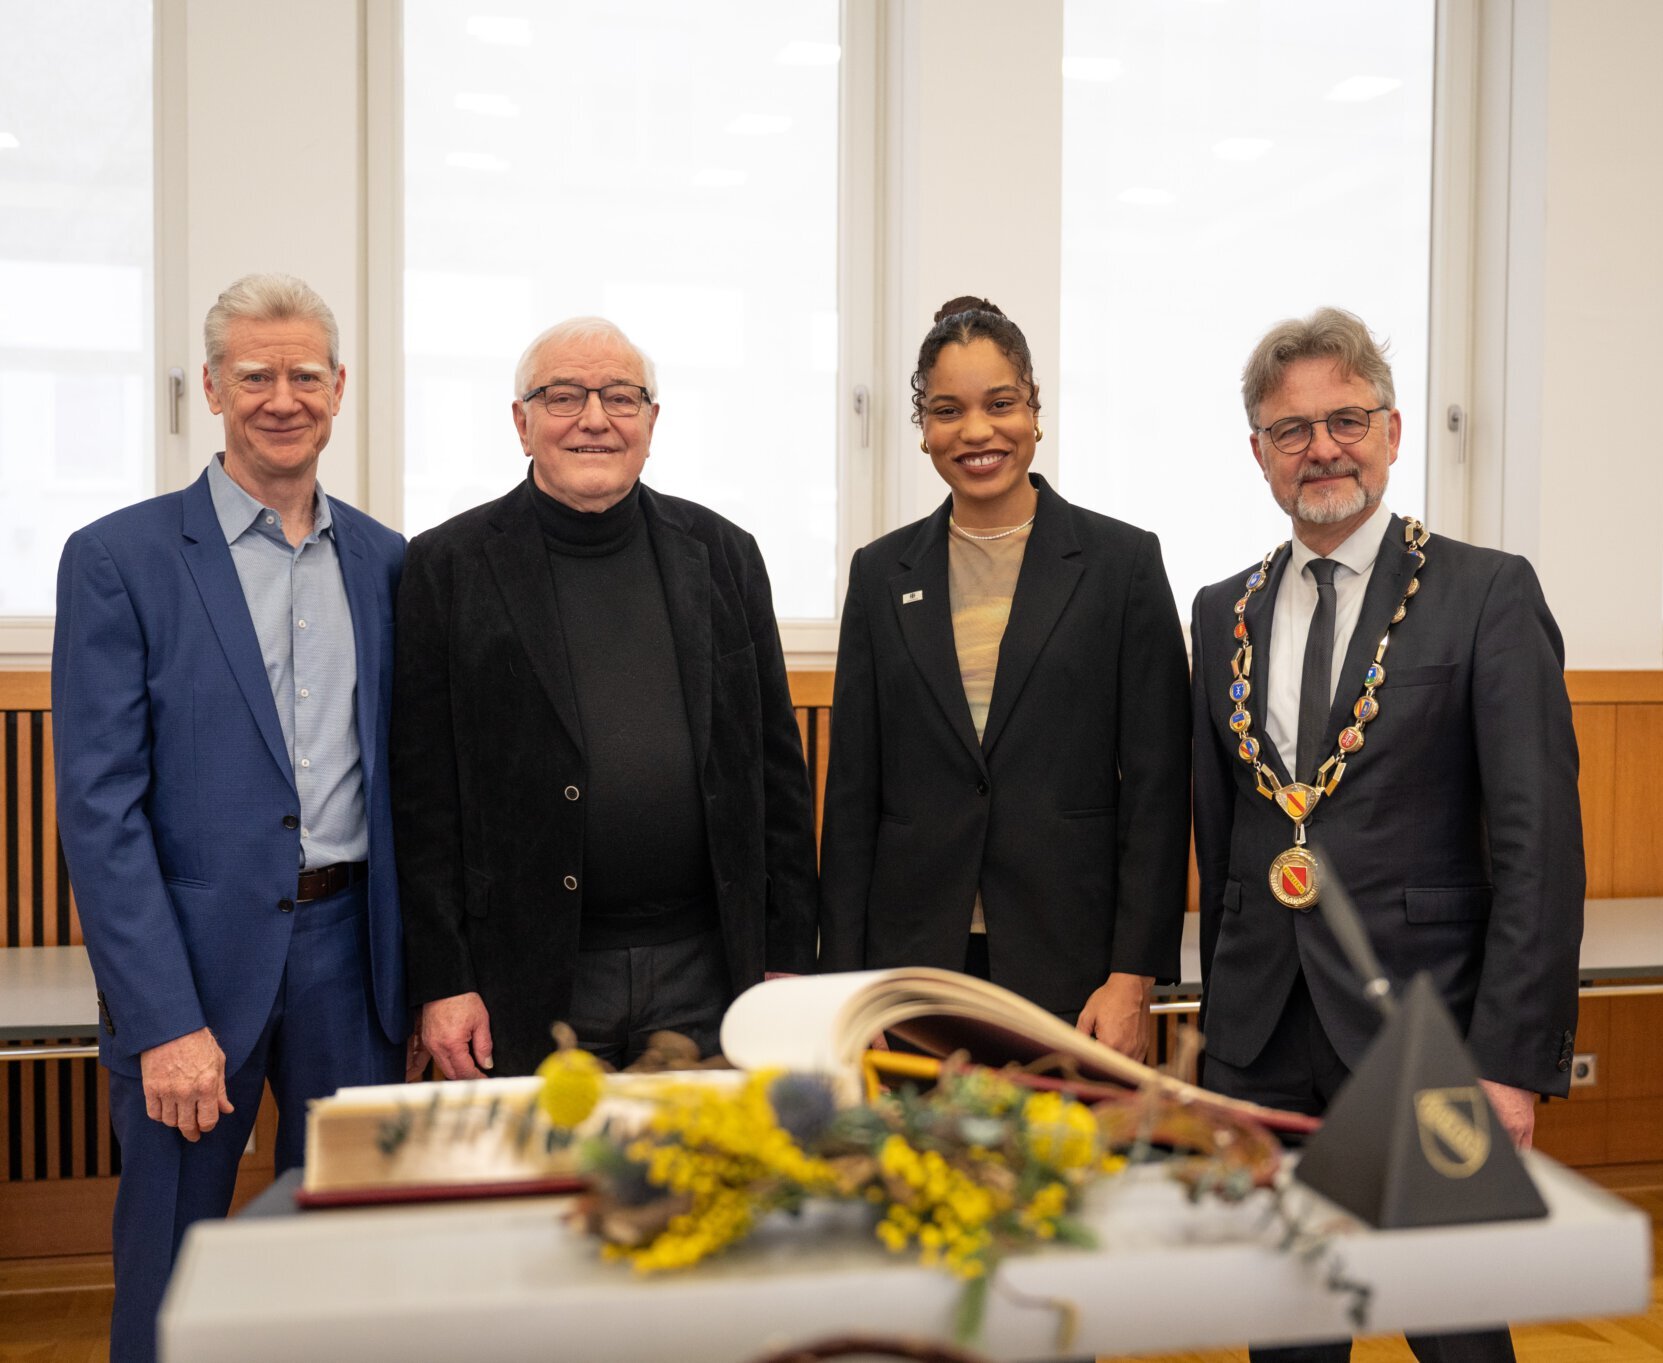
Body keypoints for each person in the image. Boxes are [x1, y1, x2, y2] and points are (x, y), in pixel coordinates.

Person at [1191, 307, 1584, 1363]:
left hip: (1426, 1031)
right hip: (1263, 1036)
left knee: (1455, 1331)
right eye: (1291, 429)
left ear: (1394, 430)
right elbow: (1223, 831)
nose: (1322, 447)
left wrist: (1510, 1057)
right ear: (1259, 454)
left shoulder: (1483, 594)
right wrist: (1217, 1035)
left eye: (1346, 419)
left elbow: (1535, 846)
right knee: (1287, 1324)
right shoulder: (1219, 610)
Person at [52, 273, 414, 1363]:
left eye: (305, 373)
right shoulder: (121, 560)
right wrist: (162, 1018)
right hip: (191, 972)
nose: (281, 396)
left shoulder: (390, 562)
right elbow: (100, 811)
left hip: (351, 963)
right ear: (211, 388)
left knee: (351, 1265)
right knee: (174, 1266)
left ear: (340, 388)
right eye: (254, 374)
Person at [391, 316, 818, 1078]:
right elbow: (423, 802)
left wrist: (787, 958)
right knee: (545, 1188)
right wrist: (444, 978)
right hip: (527, 974)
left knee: (706, 1186)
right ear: (521, 423)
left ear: (651, 422)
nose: (594, 418)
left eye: (620, 396)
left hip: (710, 971)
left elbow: (774, 775)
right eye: (563, 396)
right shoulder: (445, 566)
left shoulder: (723, 553)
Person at [818, 297, 1191, 1055]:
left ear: (1035, 410)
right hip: (915, 962)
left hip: (1072, 962)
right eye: (948, 410)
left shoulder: (1121, 565)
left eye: (1000, 403)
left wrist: (1133, 977)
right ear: (922, 428)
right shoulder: (880, 573)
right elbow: (853, 792)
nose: (977, 431)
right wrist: (847, 987)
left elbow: (1157, 788)